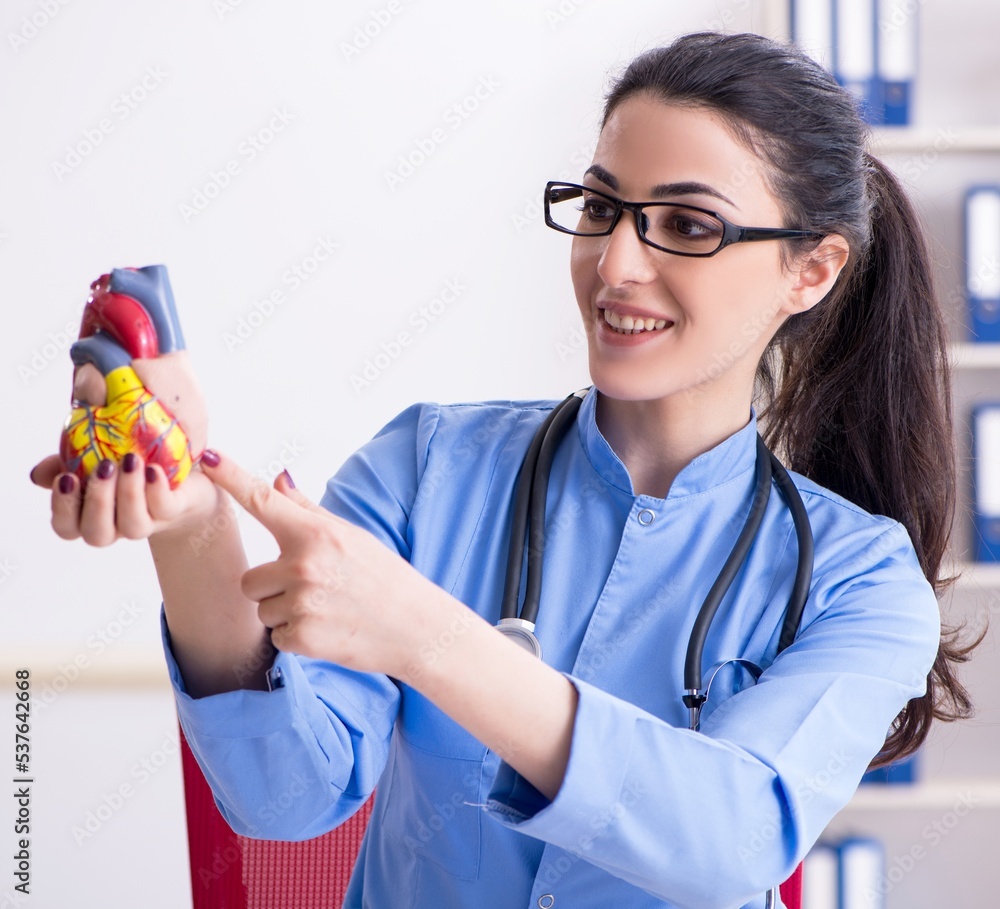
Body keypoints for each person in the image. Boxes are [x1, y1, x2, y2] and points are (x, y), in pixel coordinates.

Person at [32, 31, 978, 909]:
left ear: (810, 271)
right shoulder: (424, 466)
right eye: (602, 207)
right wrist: (191, 522)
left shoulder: (863, 579)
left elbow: (729, 835)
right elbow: (284, 800)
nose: (614, 264)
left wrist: (427, 637)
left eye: (686, 225)